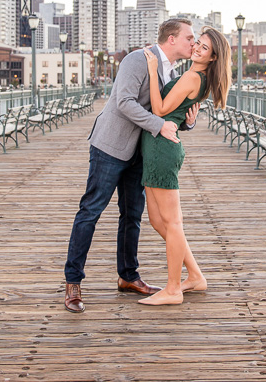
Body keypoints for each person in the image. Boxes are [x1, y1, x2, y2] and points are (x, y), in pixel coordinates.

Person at [63, 19, 199, 313]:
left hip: (140, 151)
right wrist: (160, 125)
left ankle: (128, 277)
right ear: (172, 39)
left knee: (132, 216)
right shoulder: (138, 59)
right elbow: (124, 101)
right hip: (110, 146)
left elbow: (167, 112)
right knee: (91, 211)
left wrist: (187, 122)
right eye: (190, 38)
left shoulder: (173, 72)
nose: (194, 43)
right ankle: (73, 282)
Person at [138, 26, 231, 306]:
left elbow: (160, 110)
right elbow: (179, 112)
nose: (197, 49)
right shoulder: (193, 76)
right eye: (197, 44)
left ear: (213, 58)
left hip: (163, 149)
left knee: (173, 222)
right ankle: (195, 275)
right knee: (158, 221)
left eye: (204, 48)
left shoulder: (192, 76)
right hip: (155, 148)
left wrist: (153, 71)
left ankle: (173, 288)